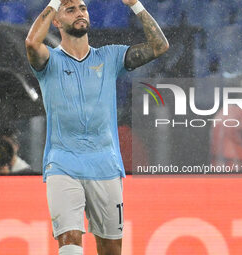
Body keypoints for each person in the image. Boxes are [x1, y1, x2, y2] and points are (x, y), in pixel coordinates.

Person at [25, 0, 169, 254]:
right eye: (70, 10)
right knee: (69, 242)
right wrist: (55, 2)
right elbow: (31, 43)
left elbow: (160, 46)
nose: (80, 13)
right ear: (56, 22)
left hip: (105, 165)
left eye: (82, 8)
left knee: (111, 249)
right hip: (63, 164)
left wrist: (135, 5)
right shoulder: (49, 60)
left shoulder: (110, 56)